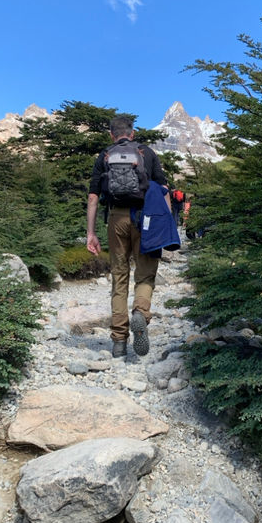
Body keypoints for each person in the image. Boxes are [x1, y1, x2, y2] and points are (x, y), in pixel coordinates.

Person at [86, 115, 170, 358]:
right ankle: (140, 314)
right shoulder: (147, 153)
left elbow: (93, 197)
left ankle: (119, 342)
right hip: (146, 220)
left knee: (119, 278)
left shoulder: (104, 156)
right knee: (145, 274)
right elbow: (164, 190)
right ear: (132, 134)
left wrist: (91, 233)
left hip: (116, 220)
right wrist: (166, 228)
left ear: (112, 135)